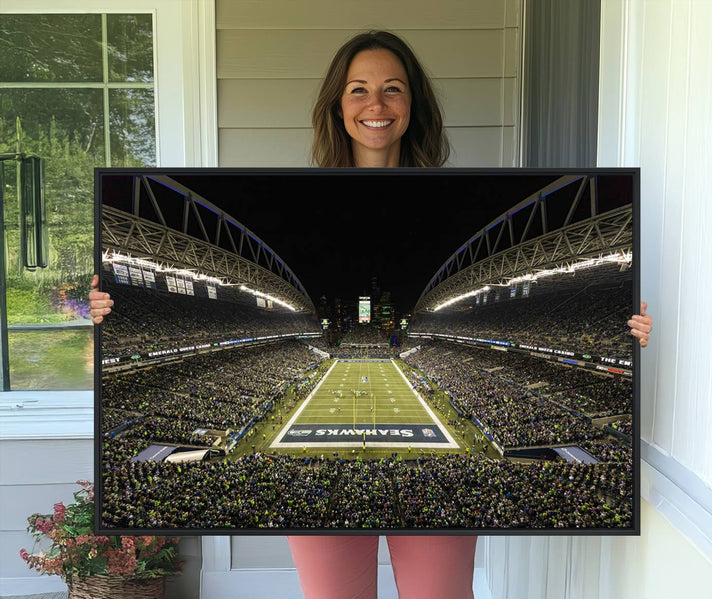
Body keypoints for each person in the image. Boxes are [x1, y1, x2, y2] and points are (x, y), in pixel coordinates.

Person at [89, 30, 653, 599]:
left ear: (414, 105)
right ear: (337, 104)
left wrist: (621, 328)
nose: (376, 105)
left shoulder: (449, 196)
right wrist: (108, 315)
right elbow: (98, 351)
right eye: (358, 90)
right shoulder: (305, 193)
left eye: (393, 89)